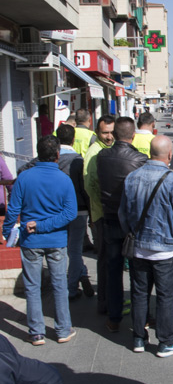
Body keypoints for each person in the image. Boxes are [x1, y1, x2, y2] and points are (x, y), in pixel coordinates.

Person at [119, 135, 173, 357]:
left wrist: (132, 234)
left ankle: (139, 338)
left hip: (138, 248)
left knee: (140, 293)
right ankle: (166, 341)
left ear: (150, 152)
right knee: (165, 296)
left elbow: (123, 213)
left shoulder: (132, 178)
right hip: (166, 249)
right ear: (169, 155)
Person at [2, 135, 77, 345]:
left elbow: (13, 209)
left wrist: (7, 231)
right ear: (57, 155)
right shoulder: (64, 179)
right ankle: (63, 330)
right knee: (60, 284)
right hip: (56, 240)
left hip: (29, 240)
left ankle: (36, 332)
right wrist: (44, 225)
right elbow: (70, 213)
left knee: (32, 286)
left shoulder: (24, 178)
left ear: (37, 153)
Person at [97, 117, 147, 332]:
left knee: (113, 269)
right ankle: (141, 318)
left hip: (109, 218)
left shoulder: (101, 156)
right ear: (133, 135)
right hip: (133, 223)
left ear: (114, 135)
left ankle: (114, 317)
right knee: (138, 272)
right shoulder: (140, 159)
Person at [55, 125, 94, 301]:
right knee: (75, 250)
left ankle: (81, 275)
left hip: (56, 211)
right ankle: (72, 287)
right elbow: (85, 188)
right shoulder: (78, 160)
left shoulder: (50, 160)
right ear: (73, 140)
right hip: (79, 210)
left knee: (62, 250)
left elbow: (23, 169)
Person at [83, 115, 115, 314]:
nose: (109, 136)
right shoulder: (94, 153)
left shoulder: (107, 149)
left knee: (111, 261)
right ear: (97, 132)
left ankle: (110, 299)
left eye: (112, 132)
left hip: (108, 214)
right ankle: (104, 302)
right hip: (103, 216)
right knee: (105, 260)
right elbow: (90, 186)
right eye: (105, 132)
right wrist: (105, 208)